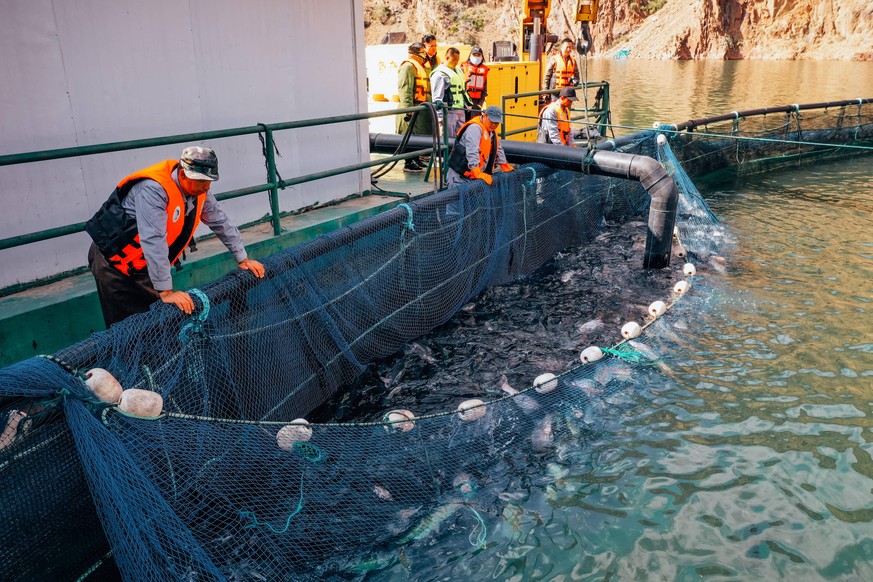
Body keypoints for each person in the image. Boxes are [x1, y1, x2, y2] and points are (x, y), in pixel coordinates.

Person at [85, 146, 265, 326]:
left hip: (144, 265)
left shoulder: (201, 191)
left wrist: (243, 258)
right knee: (128, 328)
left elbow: (220, 221)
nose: (207, 186)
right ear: (184, 175)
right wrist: (166, 292)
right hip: (113, 265)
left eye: (210, 181)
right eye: (202, 181)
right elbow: (153, 239)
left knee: (159, 324)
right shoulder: (153, 190)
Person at [446, 105, 514, 187]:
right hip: (459, 176)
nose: (494, 125)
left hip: (472, 176)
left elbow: (498, 148)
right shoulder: (475, 128)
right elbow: (472, 151)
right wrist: (476, 171)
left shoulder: (491, 131)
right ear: (485, 116)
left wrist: (504, 164)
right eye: (492, 121)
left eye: (496, 123)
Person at [396, 42, 434, 172]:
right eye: (423, 53)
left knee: (418, 135)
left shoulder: (419, 67)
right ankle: (409, 161)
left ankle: (416, 157)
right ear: (416, 54)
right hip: (412, 108)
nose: (425, 56)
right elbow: (405, 88)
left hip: (420, 108)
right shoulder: (408, 67)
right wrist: (408, 108)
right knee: (410, 134)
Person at [431, 47, 472, 136]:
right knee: (448, 140)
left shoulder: (458, 70)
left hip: (461, 110)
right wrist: (440, 117)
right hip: (448, 112)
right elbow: (437, 98)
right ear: (447, 58)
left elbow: (462, 90)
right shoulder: (440, 74)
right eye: (454, 59)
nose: (456, 62)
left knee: (460, 138)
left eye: (457, 60)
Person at [461, 46, 489, 120]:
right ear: (470, 55)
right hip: (465, 103)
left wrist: (480, 104)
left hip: (477, 103)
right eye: (474, 55)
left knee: (475, 124)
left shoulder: (484, 70)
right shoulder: (463, 68)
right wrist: (465, 103)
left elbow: (485, 91)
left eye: (478, 55)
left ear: (482, 57)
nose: (476, 57)